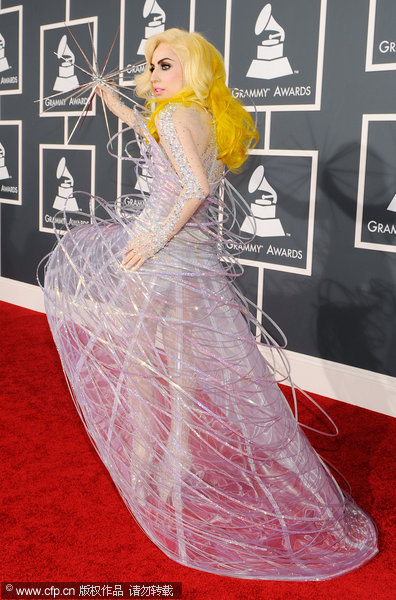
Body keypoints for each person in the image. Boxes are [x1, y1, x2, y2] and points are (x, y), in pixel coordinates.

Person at [42, 27, 379, 580]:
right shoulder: (201, 116)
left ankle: (151, 461)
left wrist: (149, 241)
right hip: (194, 256)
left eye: (164, 65)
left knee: (147, 366)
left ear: (191, 69)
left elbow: (193, 186)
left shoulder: (173, 117)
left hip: (162, 255)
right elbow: (165, 145)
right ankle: (173, 461)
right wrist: (119, 106)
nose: (153, 76)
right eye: (150, 66)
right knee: (173, 366)